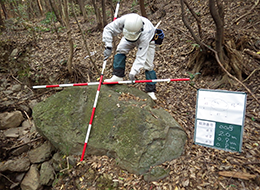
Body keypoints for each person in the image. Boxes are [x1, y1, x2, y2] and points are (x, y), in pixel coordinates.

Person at [102, 13, 158, 100]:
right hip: (128, 37)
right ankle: (118, 76)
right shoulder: (123, 21)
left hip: (148, 40)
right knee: (120, 50)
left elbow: (140, 56)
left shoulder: (146, 33)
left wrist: (133, 72)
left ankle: (151, 90)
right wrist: (108, 46)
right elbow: (108, 29)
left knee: (148, 65)